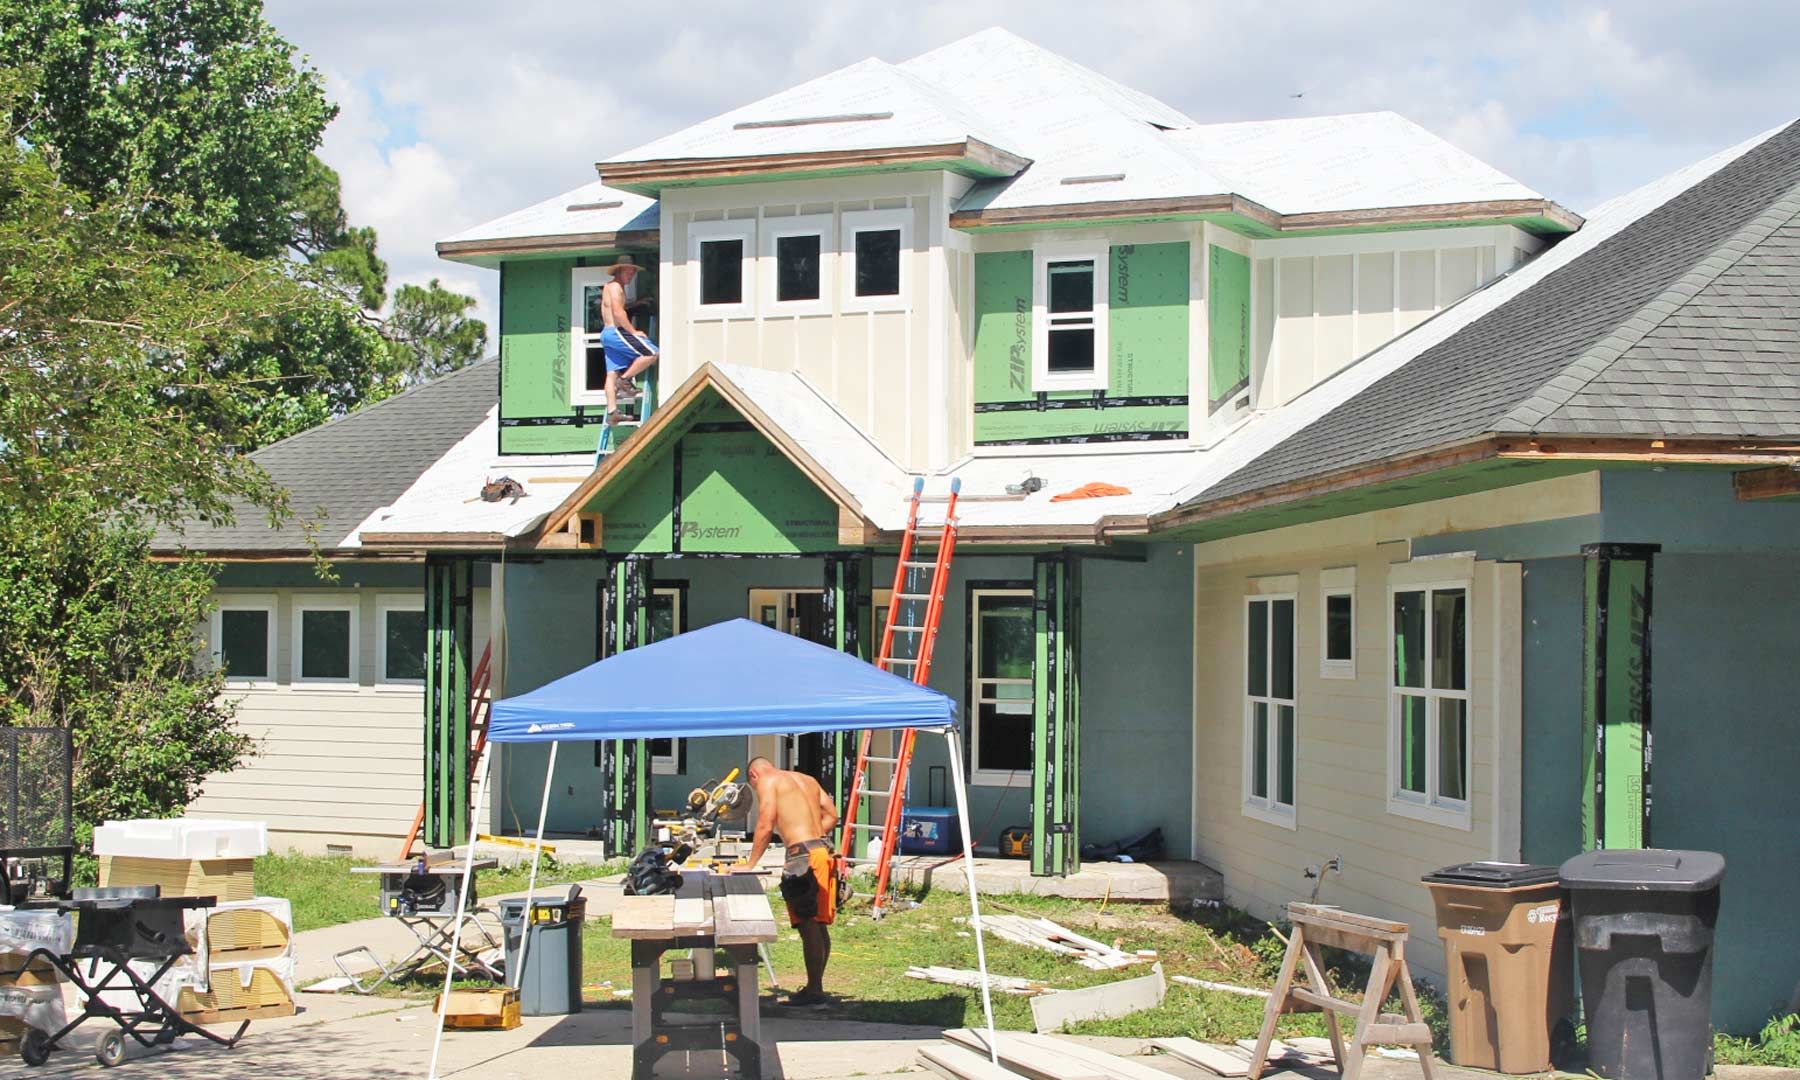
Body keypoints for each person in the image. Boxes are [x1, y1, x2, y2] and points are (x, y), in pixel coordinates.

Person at [736, 755, 839, 1007]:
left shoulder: (768, 781)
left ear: (754, 776)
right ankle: (816, 986)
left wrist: (750, 864)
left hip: (803, 857)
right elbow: (832, 816)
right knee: (818, 923)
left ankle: (815, 991)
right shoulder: (807, 779)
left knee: (808, 924)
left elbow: (765, 823)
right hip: (822, 851)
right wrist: (812, 838)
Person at [597, 255, 660, 425]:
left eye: (633, 272)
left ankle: (612, 413)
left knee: (611, 374)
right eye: (628, 271)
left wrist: (637, 303)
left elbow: (616, 308)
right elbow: (618, 312)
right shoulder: (616, 287)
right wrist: (634, 332)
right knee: (652, 353)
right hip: (615, 331)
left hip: (606, 334)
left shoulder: (609, 287)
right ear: (618, 270)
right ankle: (625, 382)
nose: (631, 275)